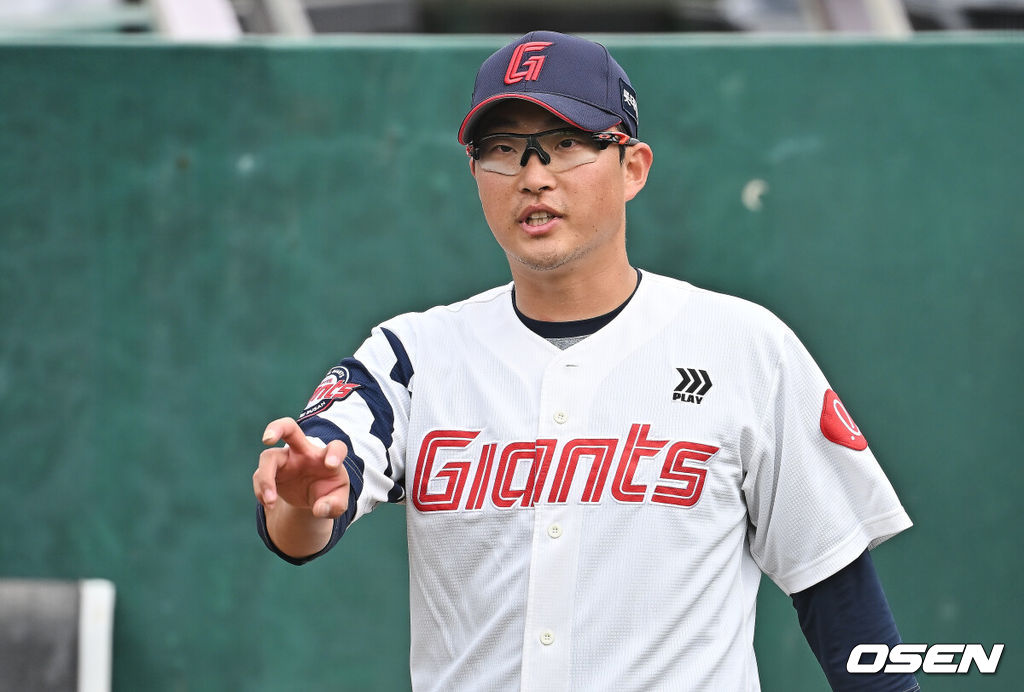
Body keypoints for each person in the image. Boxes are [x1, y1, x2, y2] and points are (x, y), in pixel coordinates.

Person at [253, 30, 918, 691]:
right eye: (503, 150)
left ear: (632, 167)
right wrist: (302, 506)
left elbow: (841, 602)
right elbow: (304, 512)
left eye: (566, 144)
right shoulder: (411, 357)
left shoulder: (744, 346)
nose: (533, 176)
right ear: (475, 175)